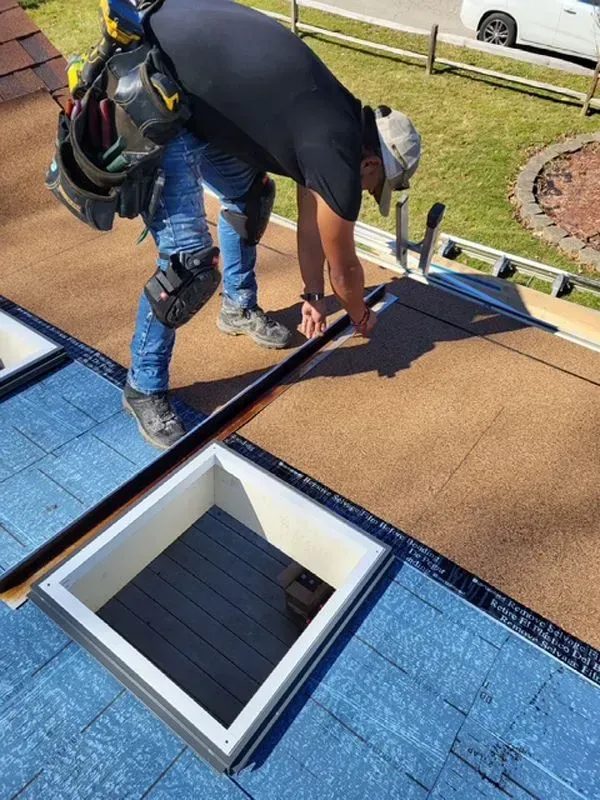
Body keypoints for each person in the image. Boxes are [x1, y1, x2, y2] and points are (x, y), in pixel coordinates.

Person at [123, 0, 422, 449]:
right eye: (375, 184)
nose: (366, 193)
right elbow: (345, 268)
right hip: (162, 89)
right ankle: (143, 386)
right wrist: (359, 314)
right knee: (188, 263)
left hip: (200, 92)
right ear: (372, 161)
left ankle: (237, 308)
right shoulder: (338, 156)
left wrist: (313, 298)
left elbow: (310, 228)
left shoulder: (336, 120)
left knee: (249, 198)